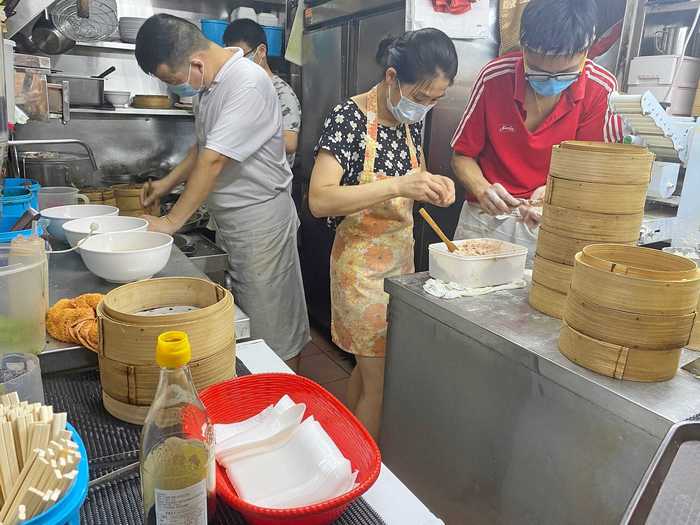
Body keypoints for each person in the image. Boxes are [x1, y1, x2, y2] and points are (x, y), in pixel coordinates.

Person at [134, 14, 310, 369]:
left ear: (195, 62)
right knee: (251, 323)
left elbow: (213, 161)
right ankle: (259, 393)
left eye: (172, 79)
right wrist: (166, 184)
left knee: (274, 327)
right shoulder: (209, 86)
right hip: (232, 222)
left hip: (261, 226)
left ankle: (289, 401)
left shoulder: (246, 82)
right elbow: (202, 148)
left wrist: (170, 222)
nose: (177, 87)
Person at [308, 29, 458, 438]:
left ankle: (343, 445)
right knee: (381, 383)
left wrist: (431, 186)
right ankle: (367, 483)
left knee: (366, 368)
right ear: (393, 77)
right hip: (360, 273)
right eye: (422, 97)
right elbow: (320, 199)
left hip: (399, 269)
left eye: (436, 100)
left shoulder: (408, 124)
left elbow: (411, 180)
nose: (426, 107)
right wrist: (398, 185)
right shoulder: (350, 117)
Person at [450, 0, 623, 264]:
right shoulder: (495, 76)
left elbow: (598, 177)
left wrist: (555, 193)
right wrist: (482, 188)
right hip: (485, 220)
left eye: (565, 73)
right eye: (539, 71)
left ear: (587, 47)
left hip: (552, 225)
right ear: (524, 45)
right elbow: (462, 156)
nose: (551, 80)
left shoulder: (601, 89)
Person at [224, 19, 301, 168]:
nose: (237, 63)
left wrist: (240, 136)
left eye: (241, 56)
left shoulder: (281, 92)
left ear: (261, 51)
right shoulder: (240, 88)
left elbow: (290, 142)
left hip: (270, 184)